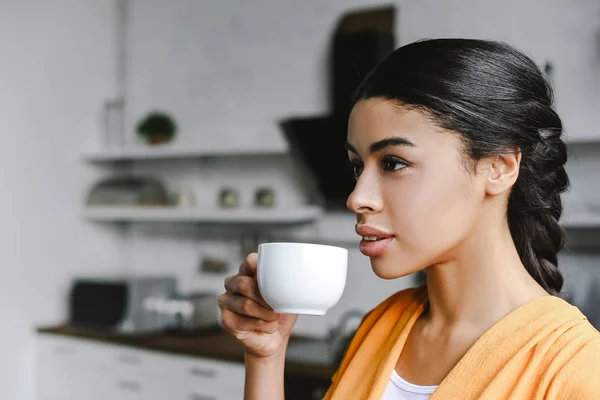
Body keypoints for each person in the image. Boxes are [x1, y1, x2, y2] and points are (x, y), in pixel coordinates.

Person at [218, 38, 600, 399]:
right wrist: (266, 357)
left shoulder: (576, 366)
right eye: (356, 167)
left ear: (499, 167)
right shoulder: (382, 325)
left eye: (394, 163)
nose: (357, 198)